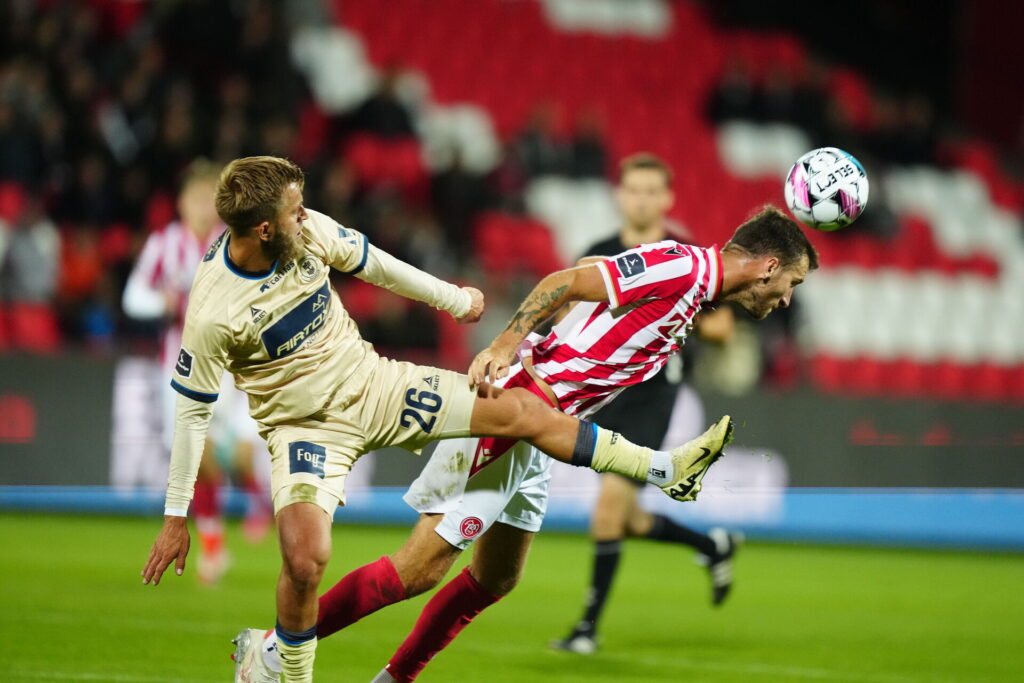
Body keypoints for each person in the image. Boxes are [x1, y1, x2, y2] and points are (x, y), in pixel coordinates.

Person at [139, 156, 734, 683]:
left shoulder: (307, 231)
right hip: (306, 426)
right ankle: (277, 661)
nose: (308, 216)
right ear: (263, 228)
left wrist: (453, 299)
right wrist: (175, 516)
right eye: (296, 212)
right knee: (313, 561)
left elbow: (371, 262)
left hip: (377, 383)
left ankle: (663, 469)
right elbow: (193, 412)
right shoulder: (215, 311)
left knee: (502, 551)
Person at [233, 196, 817, 682]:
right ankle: (269, 652)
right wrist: (505, 344)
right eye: (790, 283)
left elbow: (597, 285)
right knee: (417, 571)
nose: (786, 298)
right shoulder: (683, 267)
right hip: (518, 410)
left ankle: (383, 677)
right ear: (768, 266)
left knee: (497, 578)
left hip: (544, 429)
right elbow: (568, 280)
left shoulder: (696, 290)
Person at [553, 153, 741, 656]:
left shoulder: (685, 256)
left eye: (651, 190)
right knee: (629, 519)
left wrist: (671, 304)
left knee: (607, 513)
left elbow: (723, 327)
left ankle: (587, 628)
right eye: (633, 189)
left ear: (667, 198)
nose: (641, 198)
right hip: (603, 392)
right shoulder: (599, 252)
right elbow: (568, 310)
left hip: (653, 396)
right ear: (620, 195)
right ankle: (712, 545)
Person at [123, 159, 271, 585]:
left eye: (212, 198)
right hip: (179, 366)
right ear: (182, 202)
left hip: (231, 366)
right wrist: (162, 305)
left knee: (239, 459)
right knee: (200, 455)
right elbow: (134, 297)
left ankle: (260, 509)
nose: (205, 206)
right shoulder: (164, 243)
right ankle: (214, 546)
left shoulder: (236, 242)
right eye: (197, 197)